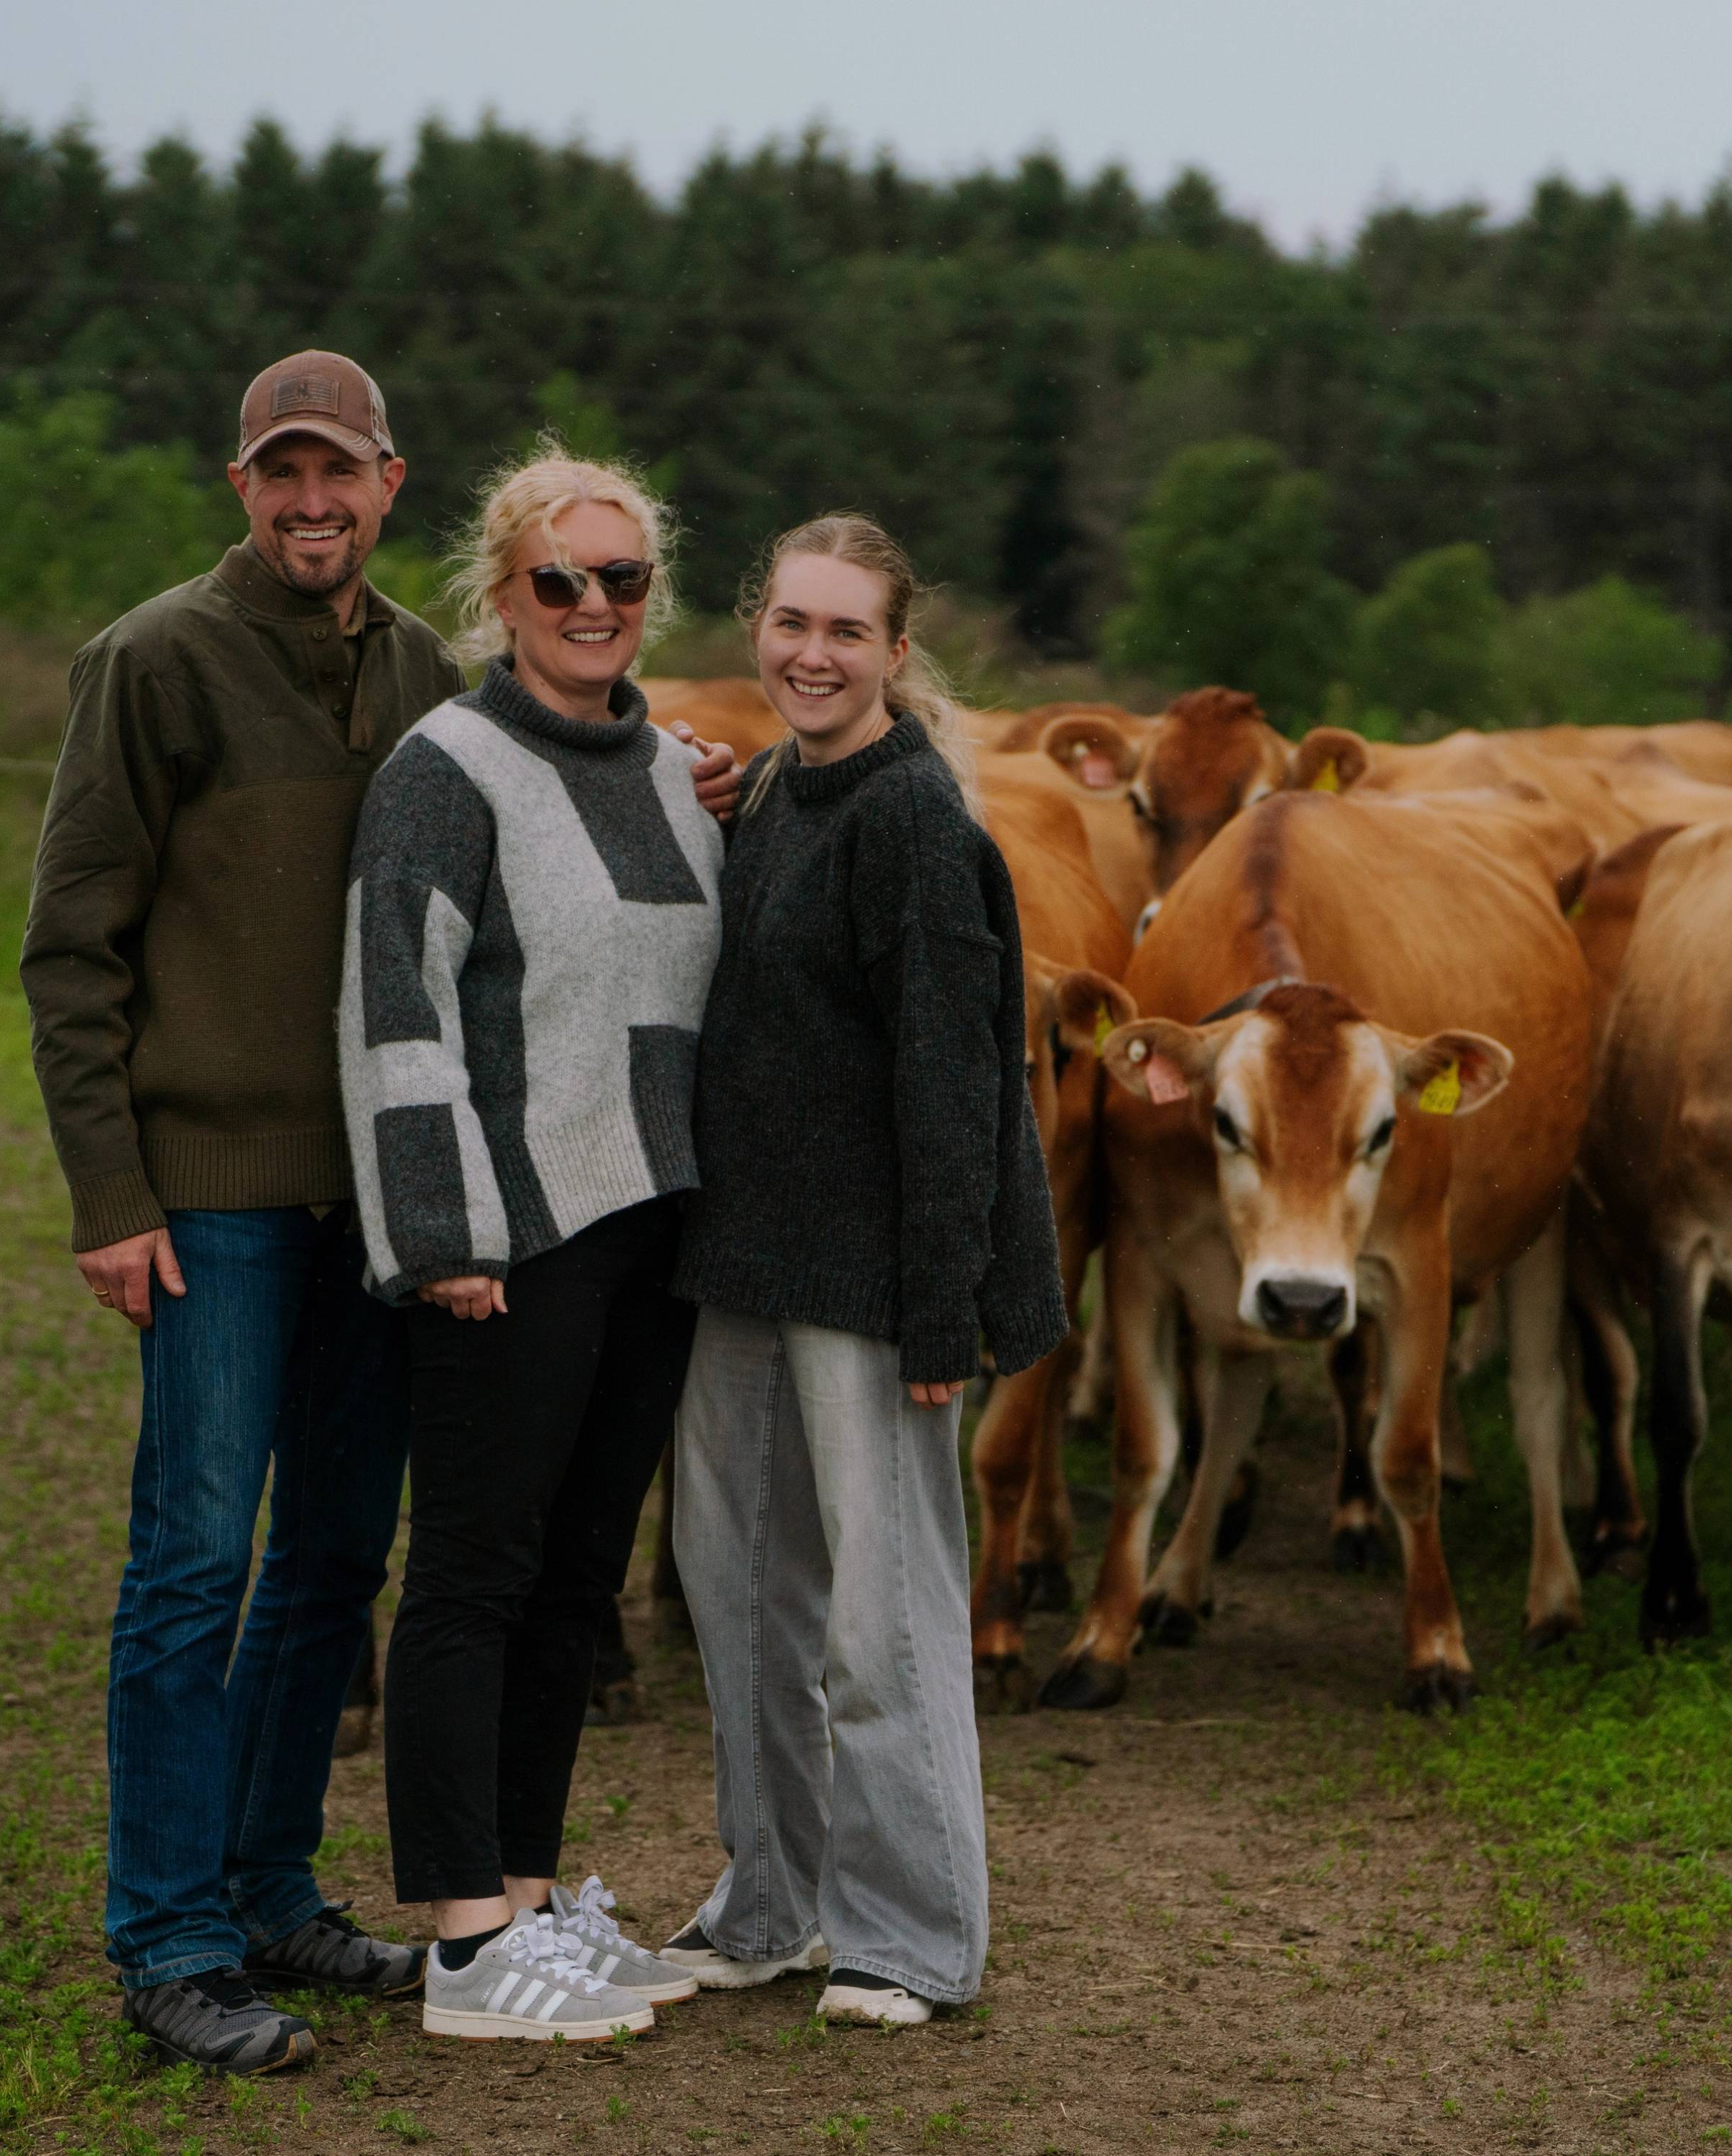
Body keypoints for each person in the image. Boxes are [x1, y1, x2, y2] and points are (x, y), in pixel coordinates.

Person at [21, 356, 734, 2075]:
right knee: (194, 1563)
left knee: (335, 1564)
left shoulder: (424, 672)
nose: (310, 503)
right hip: (217, 1191)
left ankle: (271, 1888)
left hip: (384, 1201)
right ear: (241, 483)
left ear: (390, 484)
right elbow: (72, 941)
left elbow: (555, 785)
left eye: (336, 473)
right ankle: (170, 1936)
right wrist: (109, 1191)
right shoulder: (152, 661)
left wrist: (689, 781)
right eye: (282, 476)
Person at [661, 514, 1067, 2026]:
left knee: (877, 1620)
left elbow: (956, 1082)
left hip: (876, 1282)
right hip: (742, 1261)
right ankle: (767, 1903)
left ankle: (908, 1936)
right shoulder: (769, 790)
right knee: (742, 1598)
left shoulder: (911, 820)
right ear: (756, 626)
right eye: (788, 622)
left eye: (843, 631)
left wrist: (938, 1304)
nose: (809, 654)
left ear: (896, 656)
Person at [338, 450, 722, 2042]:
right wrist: (436, 1227)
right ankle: (459, 1942)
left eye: (619, 580)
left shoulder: (667, 771)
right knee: (473, 1577)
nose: (590, 606)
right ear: (498, 595)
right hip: (509, 1228)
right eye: (556, 579)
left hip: (649, 1228)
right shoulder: (444, 768)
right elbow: (394, 1005)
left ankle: (533, 1896)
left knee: (576, 1580)